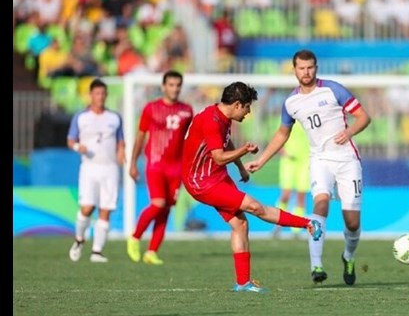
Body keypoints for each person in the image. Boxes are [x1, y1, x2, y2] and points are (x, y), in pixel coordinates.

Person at [181, 81, 323, 293]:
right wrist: (244, 150)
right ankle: (307, 224)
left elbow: (224, 144)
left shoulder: (222, 115)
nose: (248, 112)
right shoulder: (212, 121)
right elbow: (219, 157)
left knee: (240, 225)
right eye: (247, 107)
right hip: (201, 181)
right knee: (255, 207)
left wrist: (240, 168)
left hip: (215, 176)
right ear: (237, 104)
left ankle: (243, 283)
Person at [245, 49, 371, 286]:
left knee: (352, 222)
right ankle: (316, 265)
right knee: (320, 205)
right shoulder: (291, 102)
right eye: (302, 68)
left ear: (316, 67)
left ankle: (348, 256)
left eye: (310, 67)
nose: (306, 72)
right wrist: (261, 160)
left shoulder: (333, 89)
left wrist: (350, 131)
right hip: (320, 161)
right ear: (294, 70)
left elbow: (364, 117)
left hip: (347, 160)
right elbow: (282, 133)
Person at [127, 70, 194, 265]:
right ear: (163, 86)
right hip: (156, 164)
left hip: (177, 167)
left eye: (177, 85)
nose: (174, 89)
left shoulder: (187, 110)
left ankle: (152, 252)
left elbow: (190, 138)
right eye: (171, 85)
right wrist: (132, 163)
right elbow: (140, 137)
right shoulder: (151, 108)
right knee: (157, 204)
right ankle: (135, 236)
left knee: (165, 210)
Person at [67, 78, 126, 263]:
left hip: (110, 168)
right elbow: (70, 140)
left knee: (106, 209)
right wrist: (78, 147)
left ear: (106, 95)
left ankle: (97, 251)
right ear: (91, 95)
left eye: (103, 93)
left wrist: (121, 152)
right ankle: (79, 239)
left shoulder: (114, 118)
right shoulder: (81, 117)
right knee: (87, 207)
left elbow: (120, 140)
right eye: (97, 93)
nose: (100, 97)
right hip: (89, 168)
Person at [272, 125, 311, 238]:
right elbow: (278, 134)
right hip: (289, 160)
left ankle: (296, 230)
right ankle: (278, 224)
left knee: (301, 196)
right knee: (286, 195)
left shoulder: (309, 116)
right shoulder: (290, 114)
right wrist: (281, 149)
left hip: (305, 160)